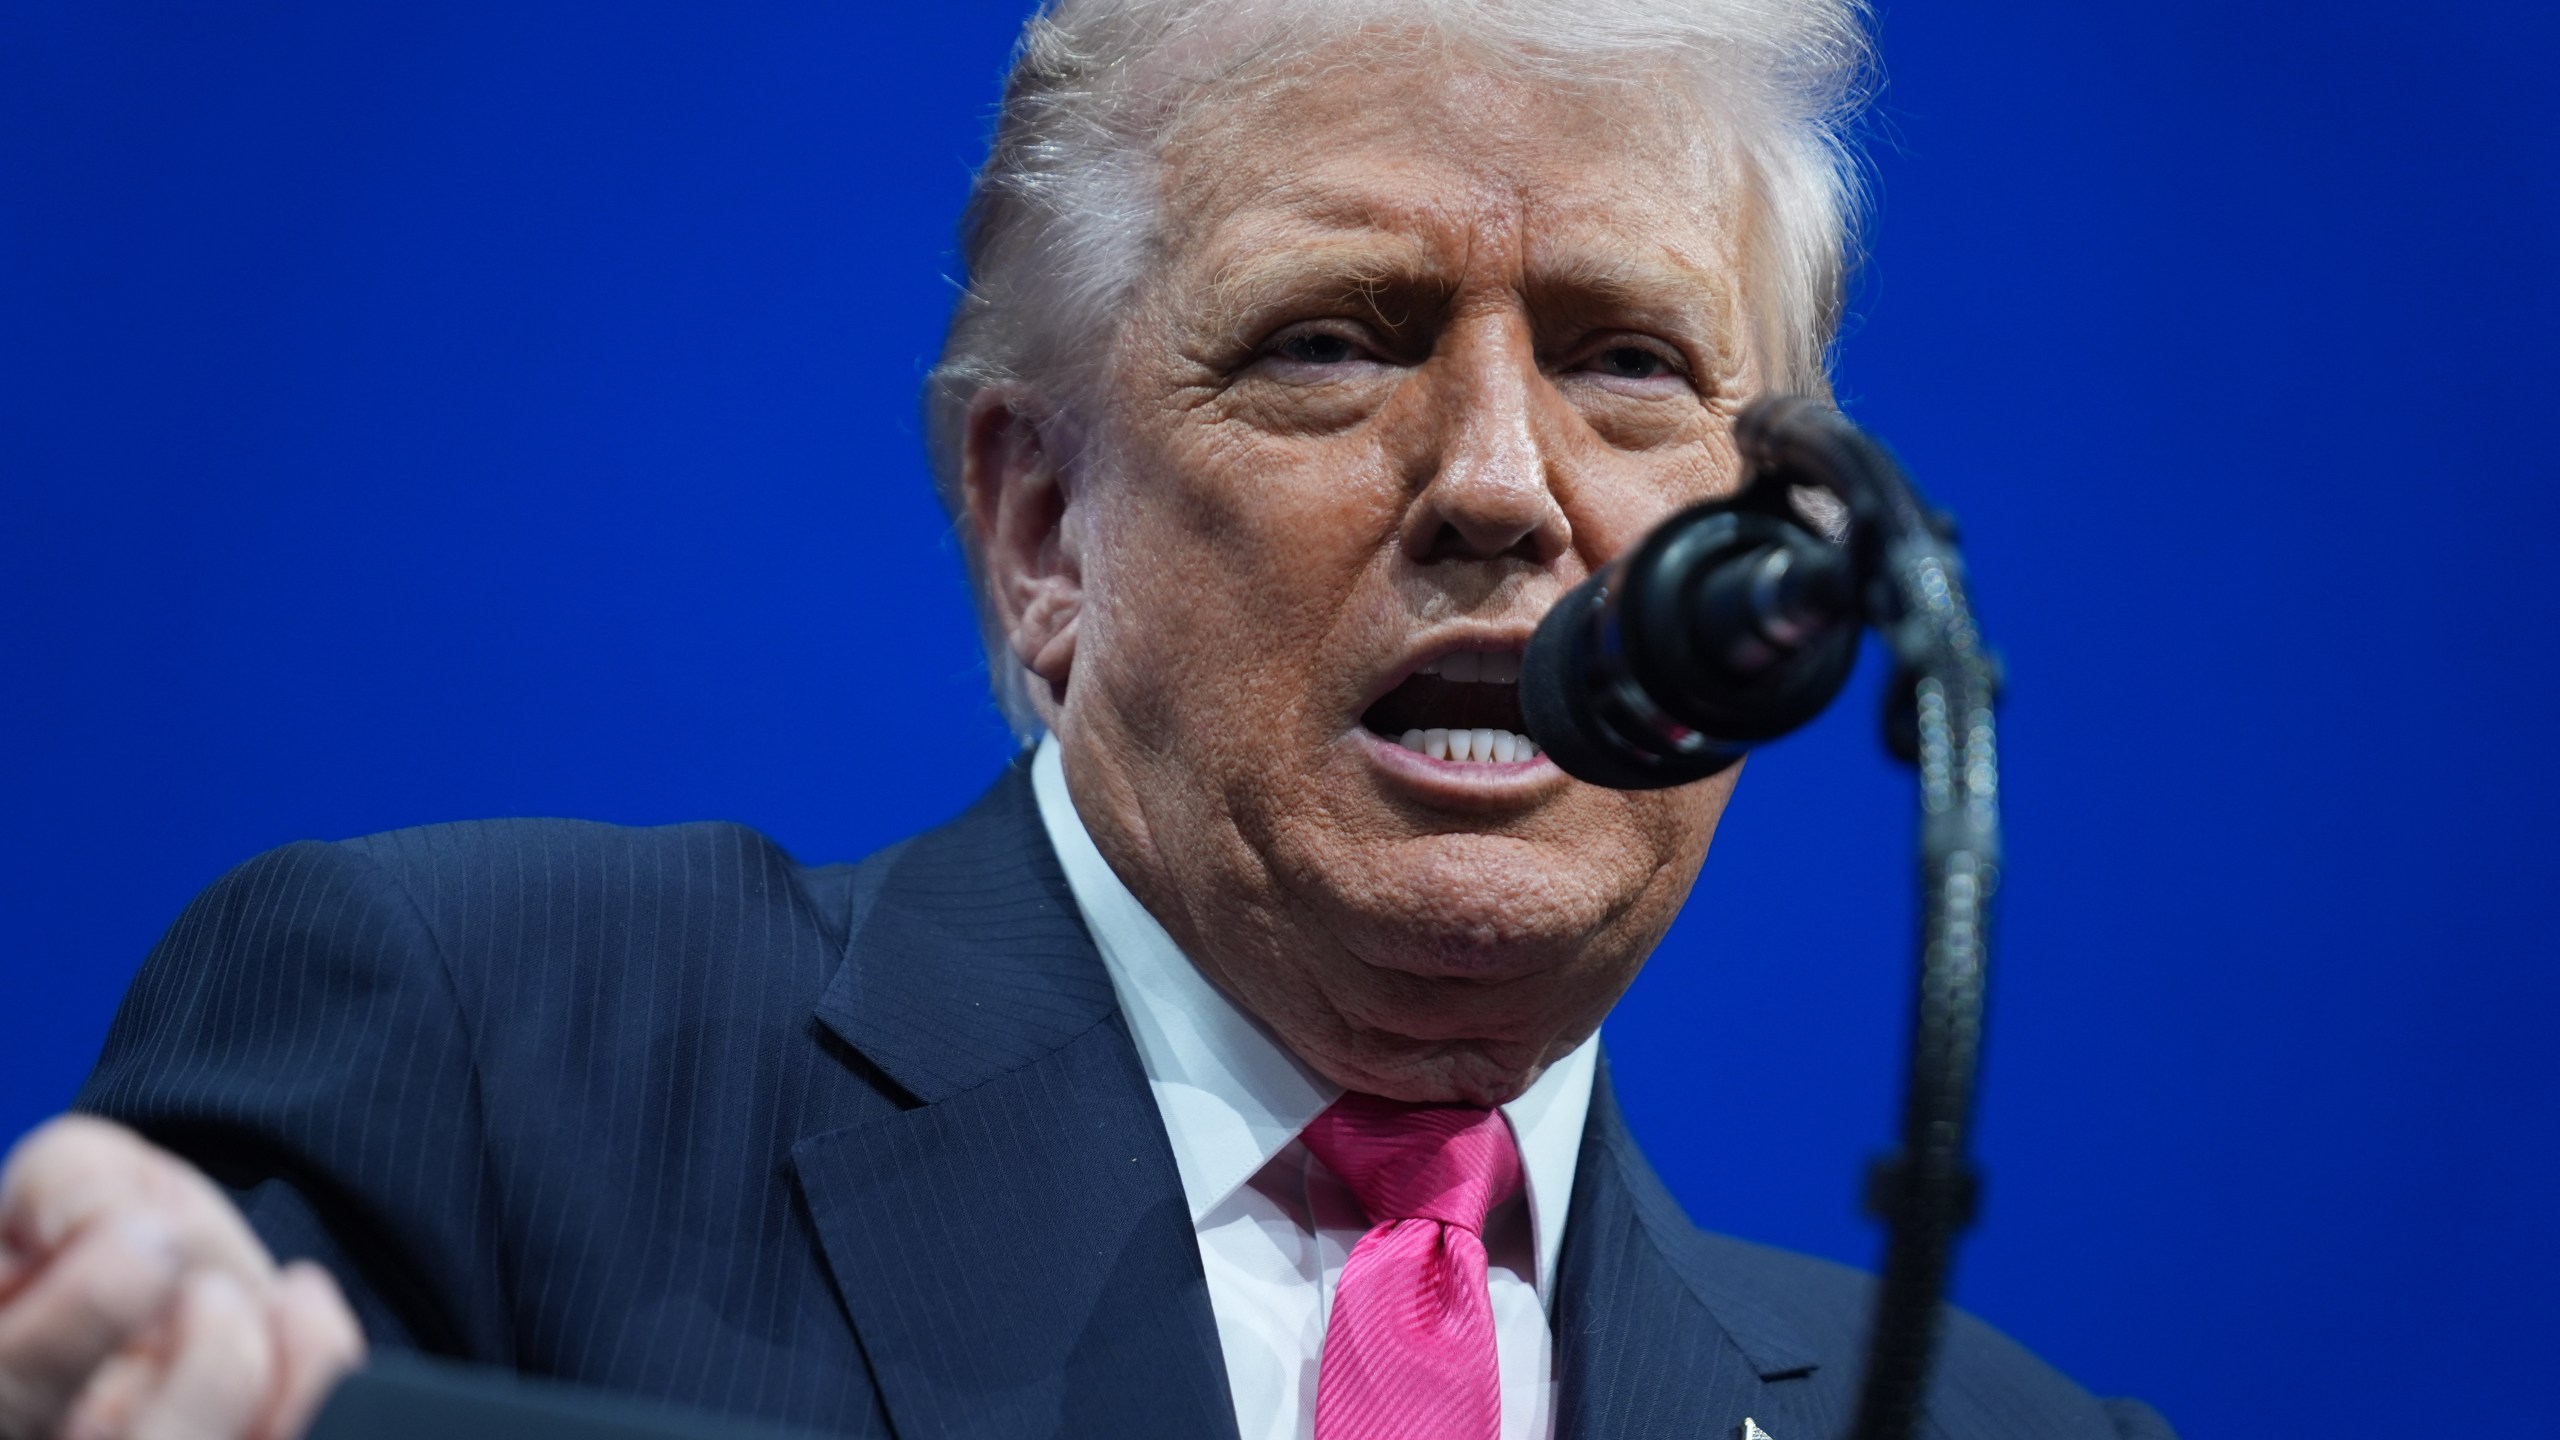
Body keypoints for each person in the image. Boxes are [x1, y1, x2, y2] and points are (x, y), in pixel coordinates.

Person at [0, 2, 2174, 1438]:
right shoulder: (488, 1060)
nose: (1504, 483)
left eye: (1626, 361)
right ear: (1041, 527)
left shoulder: (1991, 1426)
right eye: (1335, 338)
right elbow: (164, 1363)